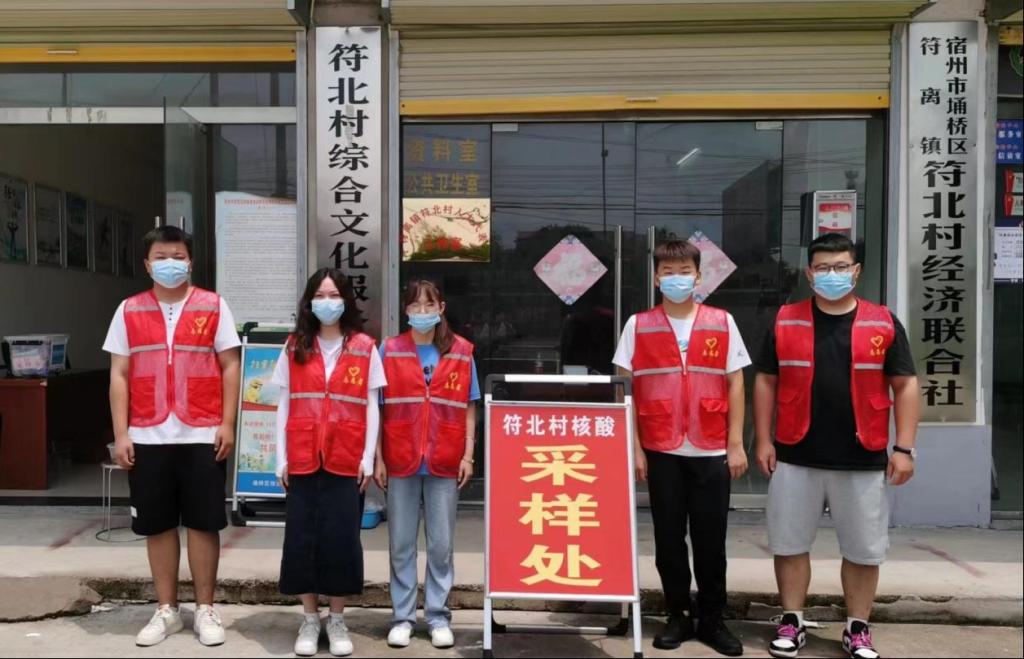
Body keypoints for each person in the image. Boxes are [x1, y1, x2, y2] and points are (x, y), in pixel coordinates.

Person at [753, 233, 919, 659]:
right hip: (795, 451)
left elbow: (905, 385)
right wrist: (763, 439)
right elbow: (766, 381)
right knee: (789, 543)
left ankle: (857, 628)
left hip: (862, 455)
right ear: (809, 274)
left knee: (864, 550)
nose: (832, 274)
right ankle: (791, 621)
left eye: (841, 267)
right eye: (823, 268)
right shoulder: (785, 320)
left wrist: (905, 448)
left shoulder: (883, 322)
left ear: (856, 271)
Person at [612, 239, 750, 657]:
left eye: (684, 271)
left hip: (710, 448)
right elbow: (623, 387)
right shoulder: (639, 325)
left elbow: (736, 382)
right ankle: (678, 615)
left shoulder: (722, 321)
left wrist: (735, 443)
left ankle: (712, 618)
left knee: (711, 540)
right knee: (669, 539)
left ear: (699, 276)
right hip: (661, 448)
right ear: (656, 278)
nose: (677, 279)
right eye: (668, 272)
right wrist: (634, 448)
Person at [105, 225, 241, 647]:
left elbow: (230, 365)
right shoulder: (129, 310)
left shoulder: (213, 306)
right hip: (148, 433)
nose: (170, 264)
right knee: (158, 524)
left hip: (202, 430)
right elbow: (119, 374)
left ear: (191, 262)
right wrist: (121, 433)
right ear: (147, 265)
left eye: (177, 257)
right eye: (161, 257)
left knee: (203, 523)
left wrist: (228, 423)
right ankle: (167, 610)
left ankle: (205, 609)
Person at [270, 268, 386, 657]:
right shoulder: (294, 347)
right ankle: (309, 618)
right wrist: (281, 459)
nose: (327, 302)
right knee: (301, 539)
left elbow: (371, 405)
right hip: (302, 456)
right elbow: (283, 403)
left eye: (334, 295)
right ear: (309, 302)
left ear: (347, 300)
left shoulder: (365, 347)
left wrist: (367, 457)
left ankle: (336, 619)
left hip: (346, 457)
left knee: (341, 539)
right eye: (319, 295)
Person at [375, 279, 479, 650]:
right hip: (400, 457)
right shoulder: (389, 350)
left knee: (441, 545)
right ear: (405, 310)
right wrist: (378, 457)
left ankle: (437, 616)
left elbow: (469, 405)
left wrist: (468, 454)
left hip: (445, 458)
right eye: (415, 305)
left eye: (429, 304)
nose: (422, 312)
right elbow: (378, 407)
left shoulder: (462, 351)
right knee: (401, 544)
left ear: (441, 308)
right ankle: (402, 618)